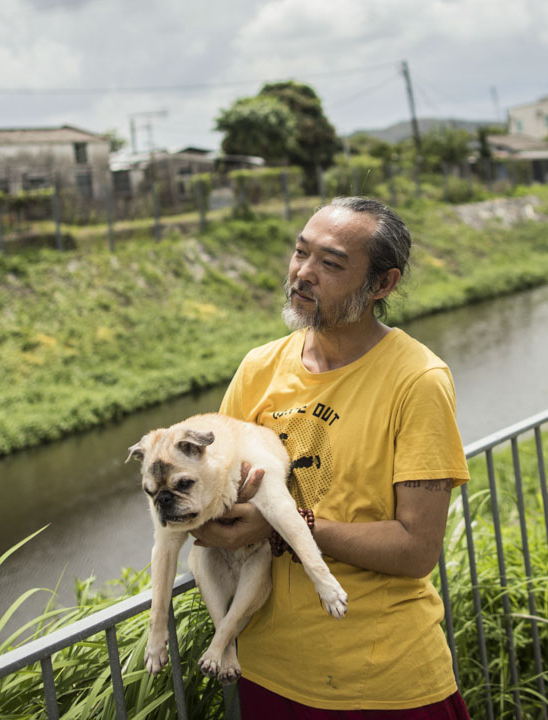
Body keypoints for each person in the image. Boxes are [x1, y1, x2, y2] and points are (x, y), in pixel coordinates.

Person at [192, 196, 471, 718]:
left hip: (382, 679)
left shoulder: (418, 381)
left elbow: (416, 550)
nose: (303, 273)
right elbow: (210, 498)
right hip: (268, 670)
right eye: (300, 253)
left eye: (331, 264)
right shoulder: (258, 369)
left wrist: (281, 525)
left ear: (383, 285)